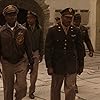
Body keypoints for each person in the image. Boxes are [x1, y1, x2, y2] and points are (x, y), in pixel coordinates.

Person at [45, 8, 84, 100]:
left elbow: (80, 49)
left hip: (71, 64)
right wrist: (49, 66)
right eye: (66, 17)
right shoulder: (53, 31)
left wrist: (81, 65)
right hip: (57, 65)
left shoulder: (76, 31)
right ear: (62, 17)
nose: (69, 20)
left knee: (71, 88)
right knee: (55, 88)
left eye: (70, 18)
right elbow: (48, 49)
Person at [0, 5, 34, 100]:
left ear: (16, 15)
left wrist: (31, 62)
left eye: (14, 14)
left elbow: (28, 46)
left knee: (22, 87)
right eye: (9, 15)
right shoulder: (1, 31)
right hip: (7, 63)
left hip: (20, 61)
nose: (12, 17)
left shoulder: (23, 30)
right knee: (8, 89)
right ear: (5, 16)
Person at [24, 11, 44, 99]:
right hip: (25, 54)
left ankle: (31, 91)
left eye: (31, 17)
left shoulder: (39, 29)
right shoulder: (23, 28)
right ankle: (20, 89)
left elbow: (41, 42)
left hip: (35, 52)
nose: (29, 19)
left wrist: (41, 54)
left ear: (35, 18)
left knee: (34, 74)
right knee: (22, 73)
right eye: (28, 17)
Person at [73, 13, 94, 93]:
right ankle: (74, 85)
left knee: (79, 69)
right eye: (75, 20)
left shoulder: (83, 29)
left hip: (80, 53)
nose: (77, 22)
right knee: (73, 69)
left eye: (78, 20)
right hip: (72, 52)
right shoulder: (71, 28)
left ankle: (72, 82)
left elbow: (87, 40)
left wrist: (91, 50)